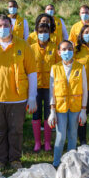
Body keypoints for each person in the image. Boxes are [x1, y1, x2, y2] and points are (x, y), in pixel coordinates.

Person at [0, 14, 37, 170]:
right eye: (0, 26)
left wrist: (32, 97)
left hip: (17, 99)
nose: (3, 28)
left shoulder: (23, 46)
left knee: (16, 131)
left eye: (6, 25)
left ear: (11, 27)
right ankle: (1, 160)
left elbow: (32, 73)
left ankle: (15, 159)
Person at [48, 41, 87, 167]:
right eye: (64, 49)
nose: (67, 52)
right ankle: (56, 162)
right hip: (60, 108)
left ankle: (71, 163)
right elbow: (52, 91)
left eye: (70, 49)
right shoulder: (55, 68)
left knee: (73, 135)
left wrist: (83, 110)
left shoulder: (80, 67)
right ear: (59, 52)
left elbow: (85, 90)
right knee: (60, 136)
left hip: (75, 107)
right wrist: (52, 111)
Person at [30, 22, 59, 151]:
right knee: (36, 113)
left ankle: (47, 142)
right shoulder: (31, 48)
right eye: (40, 32)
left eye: (45, 32)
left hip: (50, 86)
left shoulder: (55, 48)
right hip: (35, 86)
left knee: (48, 113)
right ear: (36, 33)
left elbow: (59, 66)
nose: (43, 34)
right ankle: (37, 142)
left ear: (49, 33)